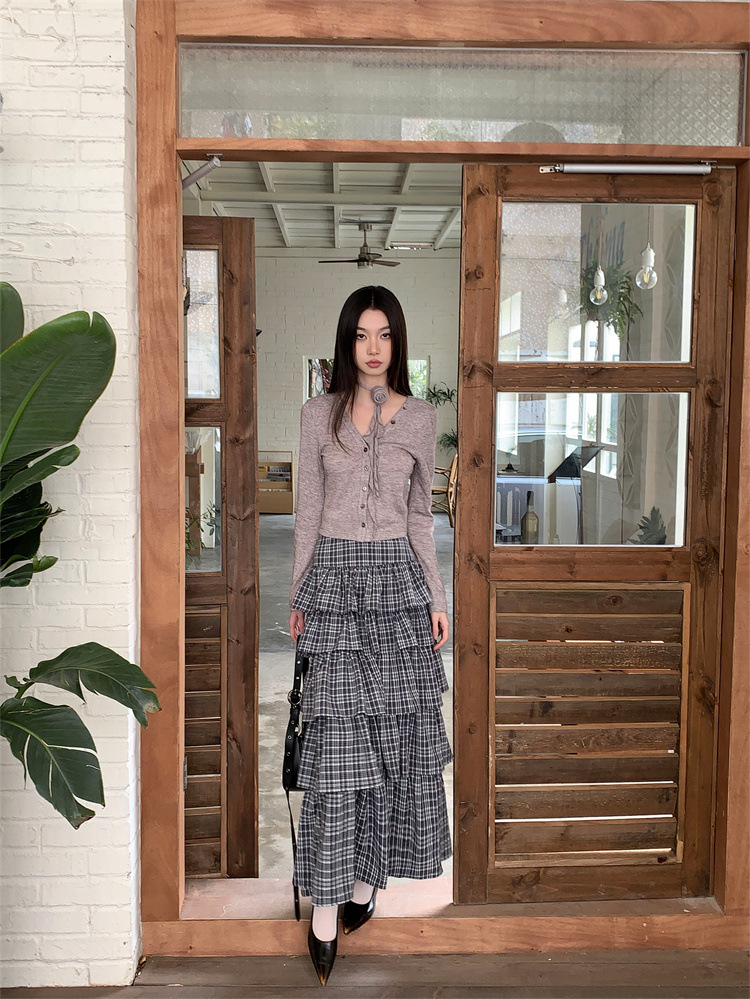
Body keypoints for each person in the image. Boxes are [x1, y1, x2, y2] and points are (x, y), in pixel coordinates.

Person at [287, 286, 452, 986]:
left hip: (397, 590)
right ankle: (325, 912)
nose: (374, 347)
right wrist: (298, 593)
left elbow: (420, 517)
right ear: (346, 341)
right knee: (335, 755)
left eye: (384, 334)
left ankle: (363, 887)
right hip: (333, 584)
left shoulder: (421, 417)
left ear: (398, 342)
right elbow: (306, 510)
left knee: (390, 748)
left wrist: (436, 598)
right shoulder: (316, 414)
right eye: (361, 334)